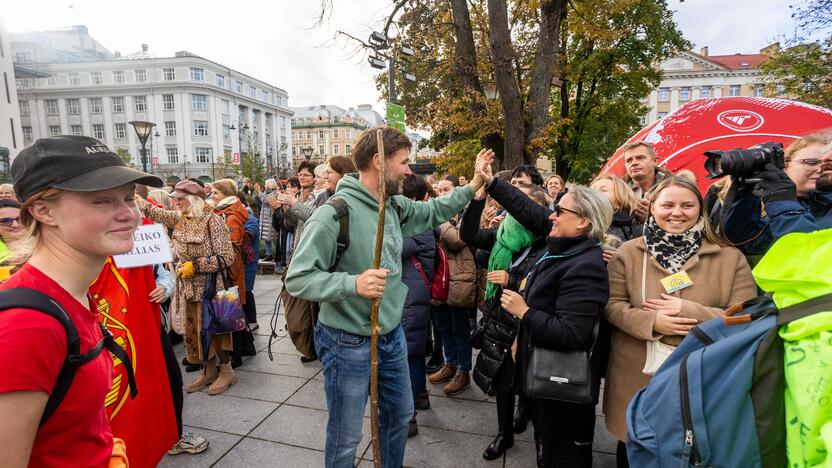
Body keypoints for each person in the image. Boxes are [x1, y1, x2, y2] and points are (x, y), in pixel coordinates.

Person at [285, 126, 493, 468]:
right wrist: (353, 284)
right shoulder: (334, 213)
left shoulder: (394, 205)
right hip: (345, 340)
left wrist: (472, 186)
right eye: (404, 162)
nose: (409, 170)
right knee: (346, 434)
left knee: (398, 417)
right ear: (379, 161)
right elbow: (299, 278)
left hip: (391, 333)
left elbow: (433, 212)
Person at [0, 135, 163, 466]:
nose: (127, 214)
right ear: (43, 211)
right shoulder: (26, 325)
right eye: (101, 201)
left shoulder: (73, 294)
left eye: (128, 198)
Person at [602, 175, 757, 467]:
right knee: (634, 447)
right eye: (668, 204)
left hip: (703, 376)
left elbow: (746, 316)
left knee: (690, 451)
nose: (677, 212)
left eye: (687, 205)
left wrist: (692, 311)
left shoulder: (730, 258)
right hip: (638, 374)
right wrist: (651, 322)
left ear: (700, 209)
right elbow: (611, 306)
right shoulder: (628, 253)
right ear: (653, 208)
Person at [491, 181, 614, 467]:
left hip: (563, 387)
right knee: (547, 445)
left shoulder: (585, 264)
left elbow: (572, 333)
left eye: (559, 209)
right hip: (546, 375)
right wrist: (520, 336)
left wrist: (524, 312)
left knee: (562, 454)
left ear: (583, 221)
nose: (551, 215)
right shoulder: (561, 249)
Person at [459, 181, 549, 462]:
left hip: (529, 319)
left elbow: (543, 284)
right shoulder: (504, 231)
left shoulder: (546, 237)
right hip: (500, 317)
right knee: (502, 379)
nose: (510, 204)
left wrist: (511, 279)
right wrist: (476, 201)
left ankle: (534, 426)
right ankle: (504, 433)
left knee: (531, 380)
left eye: (518, 200)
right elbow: (469, 235)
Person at [137, 179, 237, 396]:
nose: (175, 202)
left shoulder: (213, 220)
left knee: (217, 329)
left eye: (179, 199)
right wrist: (135, 198)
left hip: (212, 287)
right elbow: (155, 213)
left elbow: (227, 256)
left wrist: (197, 265)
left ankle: (227, 371)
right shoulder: (181, 218)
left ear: (192, 200)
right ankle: (208, 371)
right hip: (188, 288)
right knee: (196, 330)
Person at [721, 131, 832, 259]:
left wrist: (783, 202)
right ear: (784, 165)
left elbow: (809, 258)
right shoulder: (812, 204)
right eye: (811, 162)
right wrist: (745, 189)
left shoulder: (787, 204)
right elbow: (744, 240)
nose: (823, 164)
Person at [429, 176, 478, 396]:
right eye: (439, 190)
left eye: (446, 189)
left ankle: (463, 370)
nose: (442, 194)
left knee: (460, 329)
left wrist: (438, 221)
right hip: (440, 278)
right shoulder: (439, 212)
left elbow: (458, 239)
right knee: (443, 327)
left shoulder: (467, 212)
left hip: (459, 278)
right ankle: (450, 363)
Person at [399, 175, 436, 438]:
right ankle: (421, 395)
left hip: (411, 294)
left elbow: (392, 246)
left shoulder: (417, 222)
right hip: (413, 290)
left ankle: (408, 418)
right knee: (415, 350)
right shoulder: (419, 220)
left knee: (409, 355)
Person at [621, 141, 673, 221]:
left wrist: (654, 215)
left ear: (655, 161)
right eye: (629, 160)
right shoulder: (616, 191)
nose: (634, 163)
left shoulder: (677, 187)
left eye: (640, 158)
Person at [590, 174, 643, 248]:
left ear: (619, 202)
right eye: (592, 189)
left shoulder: (636, 234)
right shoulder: (574, 219)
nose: (594, 192)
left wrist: (621, 258)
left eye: (603, 190)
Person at [279, 161, 317, 252]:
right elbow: (291, 224)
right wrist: (286, 207)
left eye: (306, 175)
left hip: (311, 247)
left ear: (315, 177)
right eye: (300, 175)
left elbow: (313, 219)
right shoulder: (299, 195)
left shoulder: (317, 195)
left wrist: (294, 203)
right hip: (298, 246)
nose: (301, 178)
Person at [259, 179, 279, 261]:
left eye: (266, 184)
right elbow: (262, 199)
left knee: (274, 237)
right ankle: (268, 254)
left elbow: (266, 200)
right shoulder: (266, 193)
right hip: (264, 218)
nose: (265, 186)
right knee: (266, 237)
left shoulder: (275, 193)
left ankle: (277, 254)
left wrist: (260, 192)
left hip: (270, 218)